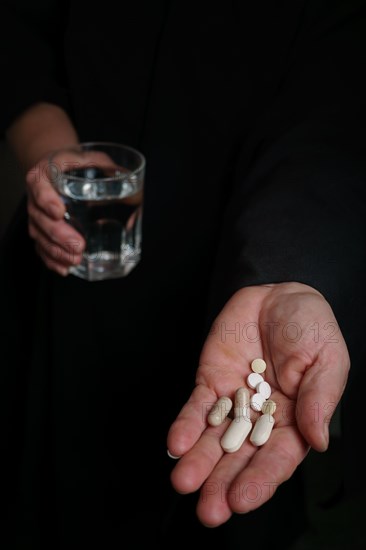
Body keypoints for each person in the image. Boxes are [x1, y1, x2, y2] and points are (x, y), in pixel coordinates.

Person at [0, 1, 365, 548]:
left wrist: (290, 274)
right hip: (70, 268)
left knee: (211, 510)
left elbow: (330, 119)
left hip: (226, 293)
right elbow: (17, 25)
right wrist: (51, 150)